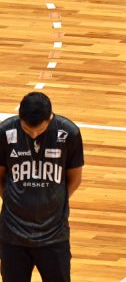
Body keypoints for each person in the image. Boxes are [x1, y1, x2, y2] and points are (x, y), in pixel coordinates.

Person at [0, 92, 83, 282]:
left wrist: (55, 198)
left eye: (40, 130)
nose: (34, 135)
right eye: (27, 130)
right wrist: (13, 199)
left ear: (50, 118)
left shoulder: (69, 133)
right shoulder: (4, 132)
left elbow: (75, 178)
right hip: (13, 235)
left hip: (54, 235)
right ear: (20, 118)